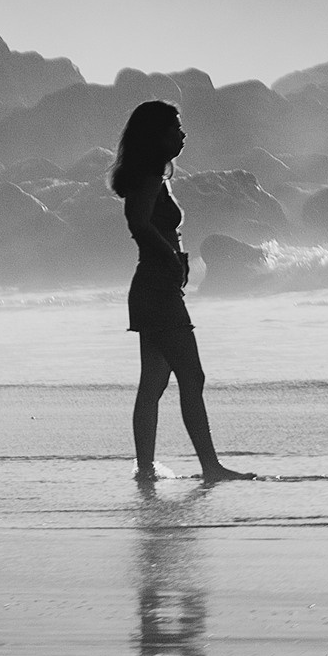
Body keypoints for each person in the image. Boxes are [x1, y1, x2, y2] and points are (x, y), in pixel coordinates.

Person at [111, 98, 250, 488]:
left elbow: (149, 225)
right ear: (157, 135)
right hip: (157, 288)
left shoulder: (154, 175)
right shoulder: (150, 175)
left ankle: (146, 469)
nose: (182, 133)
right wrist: (171, 260)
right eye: (175, 127)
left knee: (154, 383)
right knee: (192, 376)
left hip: (156, 287)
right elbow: (139, 224)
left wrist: (175, 261)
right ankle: (210, 467)